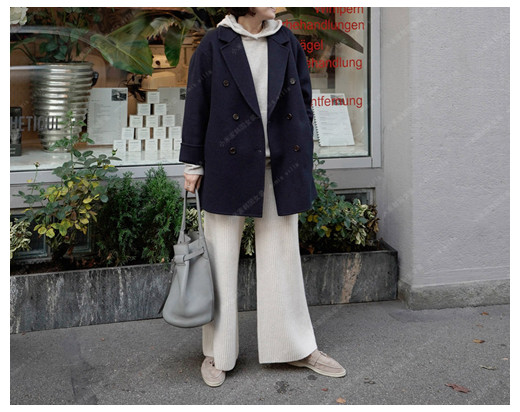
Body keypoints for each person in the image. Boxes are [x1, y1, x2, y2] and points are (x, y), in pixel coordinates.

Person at [180, 7, 346, 387]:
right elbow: (197, 102)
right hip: (227, 166)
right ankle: (218, 352)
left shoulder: (286, 40)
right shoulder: (214, 43)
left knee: (283, 257)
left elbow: (303, 100)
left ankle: (295, 347)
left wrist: (302, 147)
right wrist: (192, 163)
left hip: (279, 166)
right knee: (221, 260)